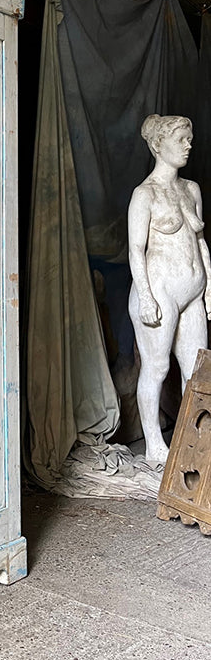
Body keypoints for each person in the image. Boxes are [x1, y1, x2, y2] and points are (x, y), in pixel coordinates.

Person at [128, 114, 211, 466]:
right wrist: (145, 297)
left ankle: (189, 442)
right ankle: (154, 446)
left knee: (196, 369)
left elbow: (201, 241)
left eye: (189, 138)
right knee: (157, 367)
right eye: (181, 139)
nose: (188, 145)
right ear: (158, 146)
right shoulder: (144, 194)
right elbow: (136, 249)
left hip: (193, 290)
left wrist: (210, 289)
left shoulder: (191, 189)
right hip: (159, 292)